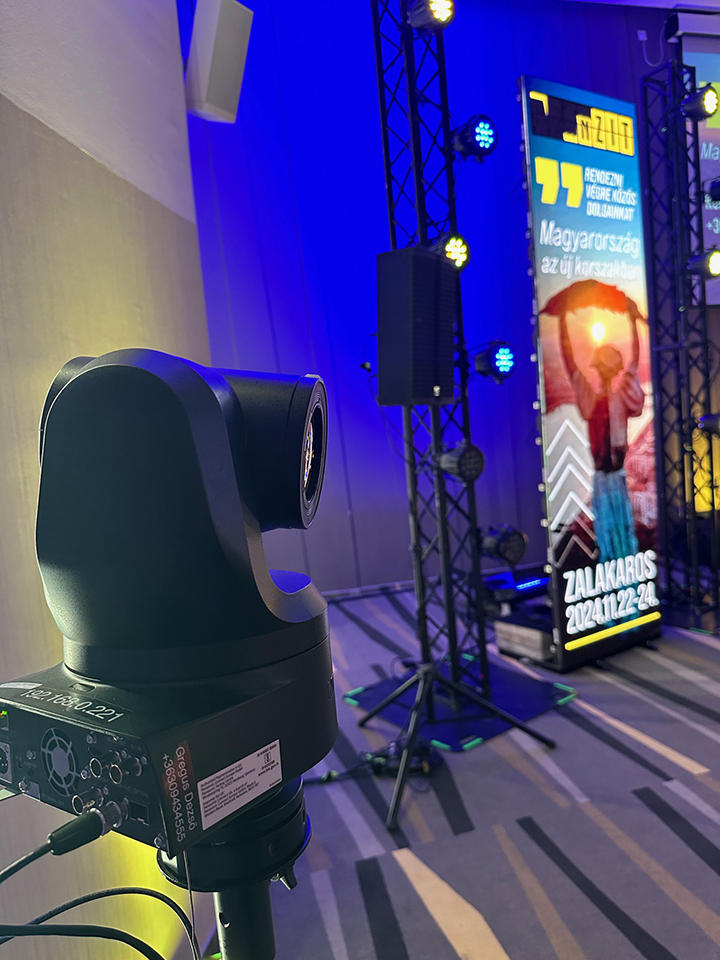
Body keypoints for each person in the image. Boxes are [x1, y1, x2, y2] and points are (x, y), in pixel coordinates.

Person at [557, 294, 644, 562]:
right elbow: (570, 363)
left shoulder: (619, 398)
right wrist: (562, 321)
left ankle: (625, 565)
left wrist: (632, 323)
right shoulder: (592, 400)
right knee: (608, 532)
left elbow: (634, 361)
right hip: (604, 478)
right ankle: (614, 565)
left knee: (623, 531)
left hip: (616, 475)